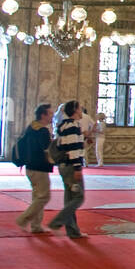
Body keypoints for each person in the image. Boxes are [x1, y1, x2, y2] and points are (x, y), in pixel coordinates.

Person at [48, 100, 86, 238]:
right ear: (75, 110)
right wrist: (77, 168)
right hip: (70, 167)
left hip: (65, 166)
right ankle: (57, 222)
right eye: (80, 108)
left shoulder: (63, 125)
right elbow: (73, 149)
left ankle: (73, 231)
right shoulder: (72, 126)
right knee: (79, 197)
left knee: (70, 198)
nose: (82, 111)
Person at [15, 103, 54, 234]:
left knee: (37, 196)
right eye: (50, 114)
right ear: (43, 115)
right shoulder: (42, 131)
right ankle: (23, 219)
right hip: (40, 167)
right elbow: (47, 149)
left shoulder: (31, 128)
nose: (52, 117)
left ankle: (36, 226)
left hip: (30, 166)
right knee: (44, 197)